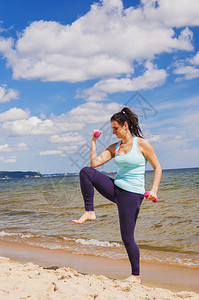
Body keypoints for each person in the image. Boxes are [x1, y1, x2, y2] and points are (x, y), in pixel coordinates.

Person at [72, 107, 162, 284]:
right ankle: (89, 211)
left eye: (115, 128)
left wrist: (154, 190)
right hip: (116, 189)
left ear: (125, 125)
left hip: (132, 195)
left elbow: (157, 167)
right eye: (112, 129)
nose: (113, 132)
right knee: (86, 172)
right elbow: (94, 163)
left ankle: (135, 275)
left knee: (127, 237)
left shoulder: (142, 144)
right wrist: (93, 141)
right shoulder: (116, 147)